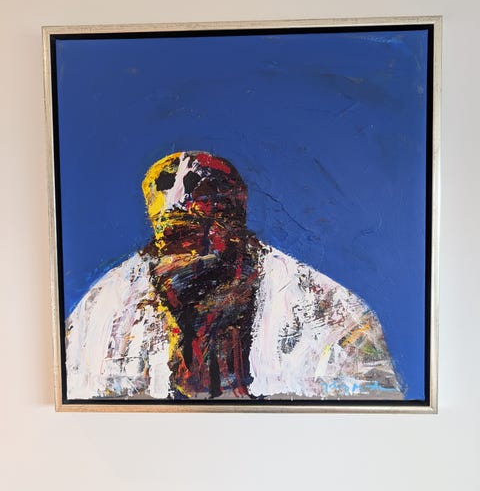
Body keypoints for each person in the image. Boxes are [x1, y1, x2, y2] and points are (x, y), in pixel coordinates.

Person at [66, 151, 402, 400]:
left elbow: (371, 405)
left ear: (236, 222)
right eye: (178, 240)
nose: (190, 259)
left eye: (202, 234)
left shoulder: (331, 312)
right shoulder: (100, 312)